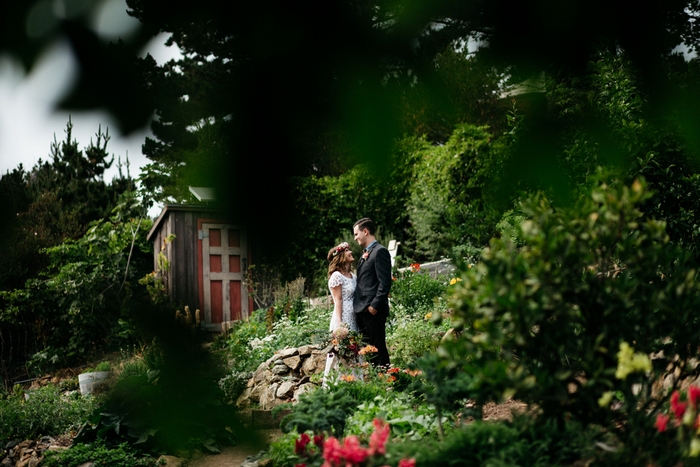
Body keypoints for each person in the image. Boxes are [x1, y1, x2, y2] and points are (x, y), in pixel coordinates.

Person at [352, 217, 392, 367]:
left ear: (365, 231)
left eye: (356, 234)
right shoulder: (366, 253)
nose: (355, 238)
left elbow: (385, 282)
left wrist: (374, 306)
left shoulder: (380, 252)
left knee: (378, 347)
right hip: (363, 309)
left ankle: (387, 380)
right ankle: (378, 381)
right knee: (370, 350)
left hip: (372, 311)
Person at [323, 241, 357, 385]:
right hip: (343, 317)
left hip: (354, 317)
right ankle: (335, 387)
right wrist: (340, 322)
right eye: (348, 250)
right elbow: (338, 300)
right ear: (342, 255)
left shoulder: (352, 275)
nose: (351, 252)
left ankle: (355, 384)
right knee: (340, 354)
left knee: (354, 351)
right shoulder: (336, 276)